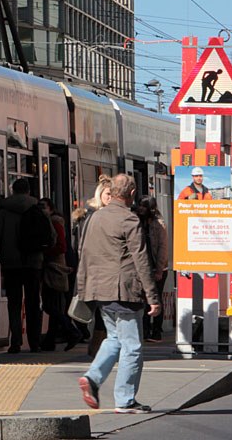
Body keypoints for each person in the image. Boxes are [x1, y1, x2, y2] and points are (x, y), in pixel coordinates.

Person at [76, 173, 161, 414]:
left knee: (114, 338)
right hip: (124, 290)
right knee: (132, 346)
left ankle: (92, 378)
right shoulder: (129, 219)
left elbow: (84, 254)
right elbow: (141, 260)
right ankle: (125, 400)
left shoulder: (94, 218)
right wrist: (153, 297)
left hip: (100, 291)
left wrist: (83, 289)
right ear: (132, 194)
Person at [0, 178, 45, 354]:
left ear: (13, 191)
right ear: (28, 191)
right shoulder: (37, 208)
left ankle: (15, 341)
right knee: (33, 302)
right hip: (33, 264)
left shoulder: (4, 211)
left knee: (14, 303)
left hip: (11, 263)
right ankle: (35, 342)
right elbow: (50, 236)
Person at [71, 175, 113, 355]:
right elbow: (83, 247)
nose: (110, 198)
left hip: (104, 270)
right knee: (101, 309)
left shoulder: (112, 214)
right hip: (96, 270)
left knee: (105, 310)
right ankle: (97, 346)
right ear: (100, 194)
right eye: (108, 194)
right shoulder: (92, 216)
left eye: (113, 194)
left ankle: (98, 347)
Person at [37, 198, 80, 351]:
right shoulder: (50, 221)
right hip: (53, 268)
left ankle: (72, 331)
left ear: (51, 208)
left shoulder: (55, 222)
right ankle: (51, 339)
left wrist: (44, 253)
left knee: (50, 305)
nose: (41, 209)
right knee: (52, 305)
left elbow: (61, 246)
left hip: (55, 269)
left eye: (44, 206)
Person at [136, 196, 168, 343]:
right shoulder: (136, 221)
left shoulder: (158, 223)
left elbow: (163, 247)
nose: (141, 209)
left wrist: (159, 269)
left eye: (144, 206)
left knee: (156, 298)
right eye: (140, 205)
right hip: (143, 267)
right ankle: (145, 330)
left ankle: (156, 331)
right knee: (143, 300)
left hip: (156, 267)